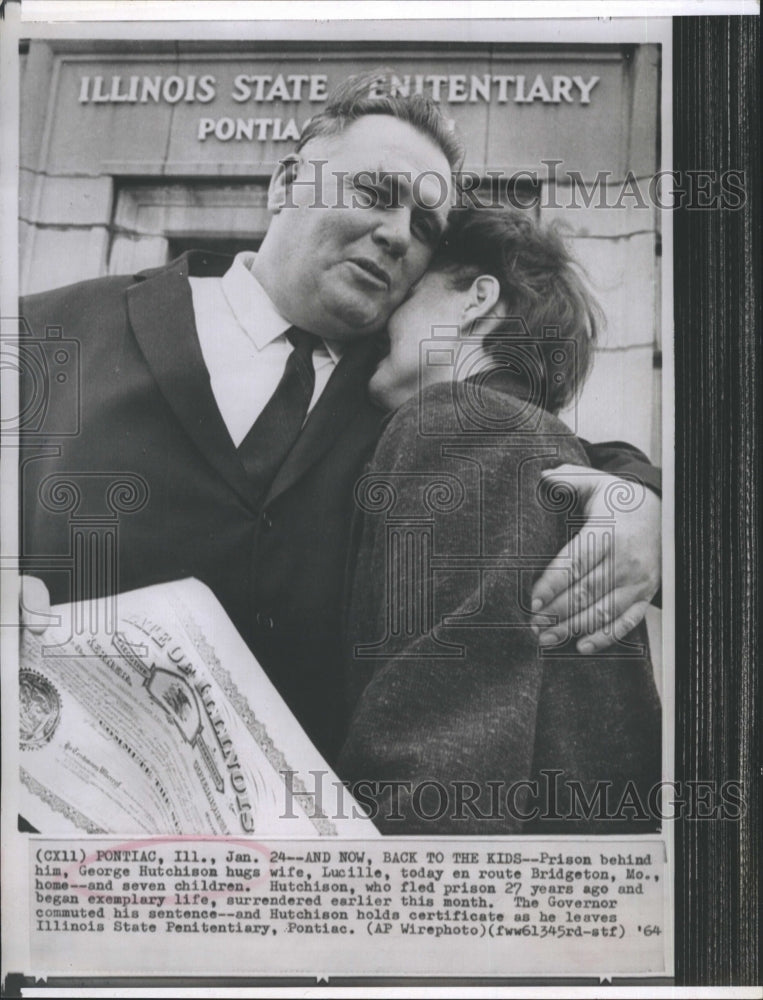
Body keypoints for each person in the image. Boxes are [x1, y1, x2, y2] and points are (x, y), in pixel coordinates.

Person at [19, 70, 660, 766]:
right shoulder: (51, 329)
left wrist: (645, 500)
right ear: (287, 182)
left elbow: (527, 446)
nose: (394, 235)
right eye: (374, 193)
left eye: (423, 226)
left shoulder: (406, 391)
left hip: (313, 851)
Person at [337, 206, 661, 833]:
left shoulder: (460, 422)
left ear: (477, 299)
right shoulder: (541, 450)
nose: (379, 318)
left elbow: (448, 750)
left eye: (406, 292)